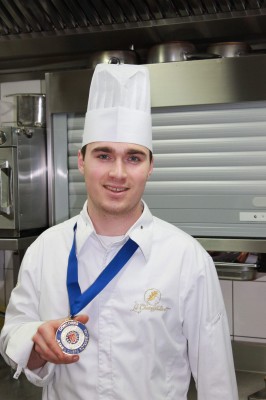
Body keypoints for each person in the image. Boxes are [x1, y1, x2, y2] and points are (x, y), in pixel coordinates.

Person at [0, 63, 238, 400]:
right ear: (81, 161)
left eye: (134, 158)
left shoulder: (187, 259)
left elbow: (217, 381)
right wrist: (36, 343)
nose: (117, 173)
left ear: (150, 167)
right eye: (103, 155)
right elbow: (12, 335)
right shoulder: (45, 250)